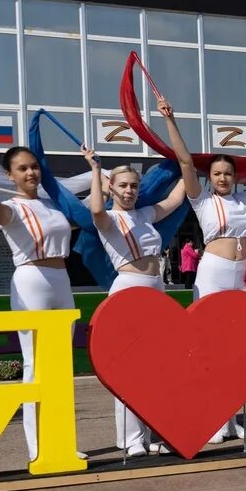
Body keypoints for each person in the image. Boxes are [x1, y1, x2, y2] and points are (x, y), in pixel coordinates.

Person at [162, 94, 246, 443]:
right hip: (214, 273)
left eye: (228, 173)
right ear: (210, 177)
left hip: (240, 278)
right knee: (208, 349)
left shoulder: (243, 200)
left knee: (234, 351)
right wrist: (170, 120)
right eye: (217, 173)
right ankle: (211, 418)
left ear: (234, 177)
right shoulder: (202, 200)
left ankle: (231, 421)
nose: (222, 177)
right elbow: (186, 162)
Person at [0, 147, 86, 462]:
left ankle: (60, 441)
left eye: (34, 167)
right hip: (31, 281)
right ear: (9, 175)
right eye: (23, 168)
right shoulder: (10, 207)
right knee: (34, 365)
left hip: (62, 281)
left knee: (59, 367)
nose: (31, 173)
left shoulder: (53, 205)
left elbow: (83, 220)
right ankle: (37, 447)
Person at [81, 146, 185, 457]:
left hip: (156, 289)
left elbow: (175, 200)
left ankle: (150, 431)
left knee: (155, 367)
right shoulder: (109, 218)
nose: (130, 191)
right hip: (128, 290)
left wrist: (190, 165)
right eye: (123, 185)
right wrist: (96, 170)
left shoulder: (145, 214)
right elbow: (96, 211)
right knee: (128, 368)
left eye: (134, 185)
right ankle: (130, 438)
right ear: (112, 187)